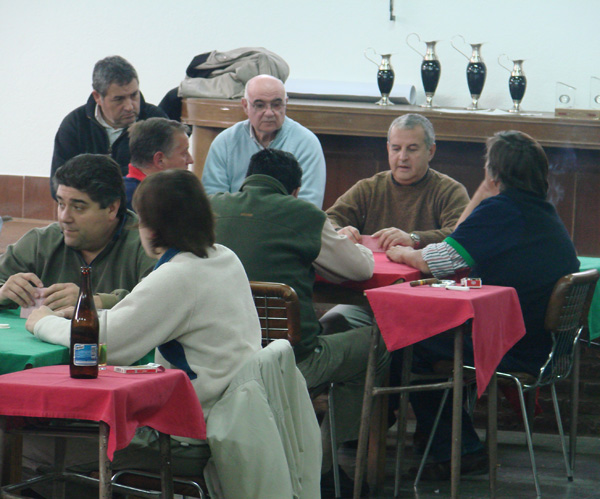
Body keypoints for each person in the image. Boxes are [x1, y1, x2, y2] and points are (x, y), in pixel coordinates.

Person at [24, 168, 262, 487]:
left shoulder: (179, 275)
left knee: (24, 443)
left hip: (184, 436)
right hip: (228, 419)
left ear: (150, 228)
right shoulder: (223, 257)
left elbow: (108, 344)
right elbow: (133, 319)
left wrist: (44, 322)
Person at [385, 130, 580, 479]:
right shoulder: (542, 211)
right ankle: (438, 441)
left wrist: (403, 253)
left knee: (407, 340)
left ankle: (451, 447)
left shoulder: (503, 210)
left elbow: (441, 260)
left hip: (513, 345)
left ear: (494, 173)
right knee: (422, 340)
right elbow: (459, 245)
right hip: (544, 346)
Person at [210, 149, 388, 497]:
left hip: (223, 358)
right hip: (290, 360)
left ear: (247, 178)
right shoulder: (303, 215)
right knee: (376, 345)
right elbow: (361, 269)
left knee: (335, 322)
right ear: (294, 191)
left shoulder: (212, 208)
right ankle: (322, 464)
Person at [322, 113, 470, 332]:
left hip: (427, 300)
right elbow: (329, 218)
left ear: (430, 151)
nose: (402, 157)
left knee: (395, 338)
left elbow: (460, 236)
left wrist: (415, 239)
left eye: (412, 149)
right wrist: (339, 230)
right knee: (328, 326)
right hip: (367, 298)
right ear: (387, 149)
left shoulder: (449, 190)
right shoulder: (370, 187)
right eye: (396, 148)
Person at [0, 154, 155, 311]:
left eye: (78, 207)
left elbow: (160, 302)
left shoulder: (148, 244)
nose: (64, 217)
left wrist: (91, 301)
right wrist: (3, 292)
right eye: (61, 204)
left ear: (111, 208)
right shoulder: (42, 242)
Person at [202, 74, 327, 208]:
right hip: (236, 224)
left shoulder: (306, 143)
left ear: (286, 104)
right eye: (260, 105)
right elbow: (213, 201)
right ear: (245, 106)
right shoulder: (225, 142)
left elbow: (308, 206)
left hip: (286, 226)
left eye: (276, 105)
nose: (269, 112)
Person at [50, 55, 167, 198]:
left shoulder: (155, 122)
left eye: (134, 95)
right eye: (119, 99)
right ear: (97, 97)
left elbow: (166, 178)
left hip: (141, 210)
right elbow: (58, 185)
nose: (129, 106)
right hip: (88, 211)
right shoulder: (75, 125)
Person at [125, 117, 193, 209]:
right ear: (159, 160)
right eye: (184, 153)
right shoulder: (151, 203)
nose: (191, 160)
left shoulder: (122, 191)